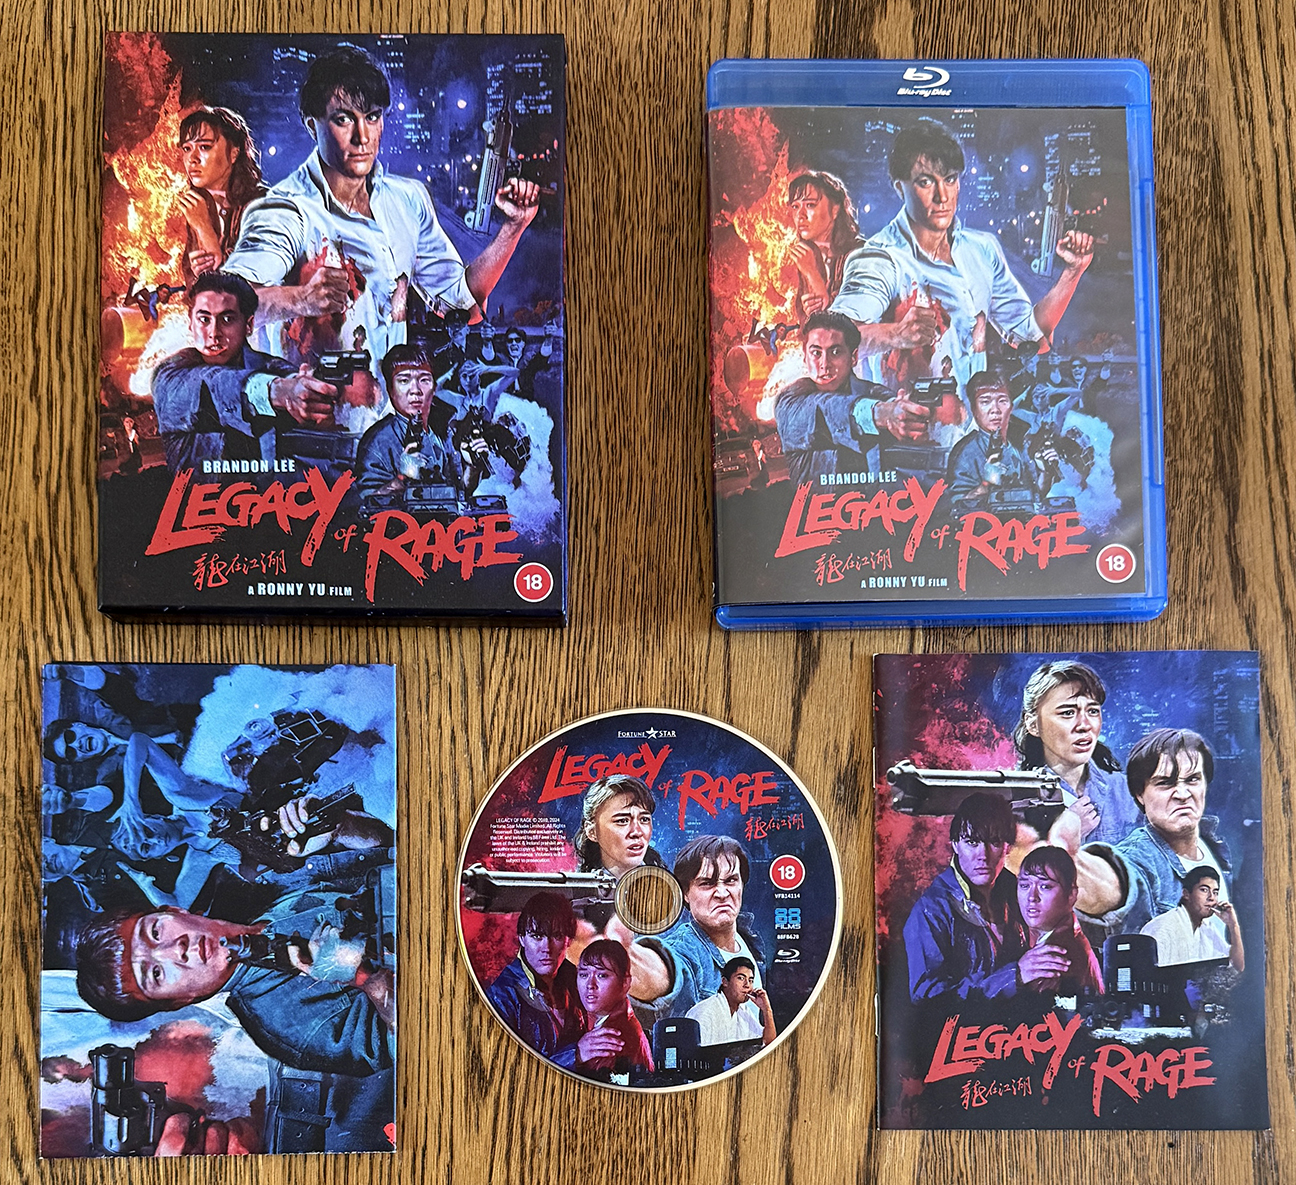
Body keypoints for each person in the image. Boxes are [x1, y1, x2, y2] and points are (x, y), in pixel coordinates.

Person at [224, 46, 540, 419]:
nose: (362, 136)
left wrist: (512, 228)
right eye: (343, 119)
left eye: (372, 117)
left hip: (389, 430)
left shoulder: (408, 200)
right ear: (312, 125)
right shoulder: (284, 210)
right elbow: (226, 306)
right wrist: (300, 299)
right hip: (310, 433)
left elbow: (462, 306)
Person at [830, 117, 1095, 442]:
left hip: (971, 446)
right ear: (899, 186)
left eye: (950, 179)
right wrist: (895, 334)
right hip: (905, 447)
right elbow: (834, 342)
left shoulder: (982, 250)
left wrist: (1072, 273)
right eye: (925, 182)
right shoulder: (878, 259)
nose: (942, 195)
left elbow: (1033, 339)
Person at [151, 272, 338, 471]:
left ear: (248, 325)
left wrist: (310, 398)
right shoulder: (168, 378)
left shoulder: (270, 367)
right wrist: (277, 392)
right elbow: (213, 386)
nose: (214, 333)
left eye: (227, 319)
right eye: (204, 320)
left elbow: (291, 383)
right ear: (191, 324)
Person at [1060, 729, 1232, 938]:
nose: (1182, 794)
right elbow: (1115, 885)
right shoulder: (1136, 859)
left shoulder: (1212, 842)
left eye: (1192, 779)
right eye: (1165, 783)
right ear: (1139, 794)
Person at [903, 792, 1070, 1001]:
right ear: (955, 845)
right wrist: (1014, 976)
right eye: (972, 842)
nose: (983, 855)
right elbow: (928, 997)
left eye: (994, 842)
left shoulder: (1018, 891)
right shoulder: (930, 911)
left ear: (1007, 847)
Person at [628, 835, 765, 1024]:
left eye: (731, 880)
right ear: (685, 893)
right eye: (707, 883)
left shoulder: (748, 938)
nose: (722, 893)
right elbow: (664, 973)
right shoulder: (682, 951)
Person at [1016, 660, 1141, 848]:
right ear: (1033, 725)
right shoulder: (1015, 798)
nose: (1084, 725)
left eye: (1092, 711)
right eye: (1068, 713)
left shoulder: (1125, 792)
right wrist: (1067, 834)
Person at [354, 344, 487, 505]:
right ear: (390, 389)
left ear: (434, 388)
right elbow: (366, 505)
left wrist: (473, 468)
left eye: (424, 380)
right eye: (404, 380)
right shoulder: (377, 441)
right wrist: (402, 479)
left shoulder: (445, 431)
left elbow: (458, 495)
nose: (415, 390)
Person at [772, 311, 890, 484]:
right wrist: (876, 414)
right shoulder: (789, 403)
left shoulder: (875, 394)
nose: (824, 364)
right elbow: (823, 411)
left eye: (835, 352)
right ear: (805, 357)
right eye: (816, 353)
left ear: (853, 357)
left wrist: (902, 413)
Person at [485, 891, 592, 1068]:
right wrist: (576, 1054)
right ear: (522, 938)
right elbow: (509, 1068)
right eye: (537, 936)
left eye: (556, 936)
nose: (546, 948)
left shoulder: (579, 979)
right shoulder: (501, 996)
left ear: (568, 940)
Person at [175, 106, 267, 284]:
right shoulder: (200, 205)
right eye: (186, 148)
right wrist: (198, 275)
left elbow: (252, 281)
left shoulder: (261, 205)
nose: (192, 158)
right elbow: (192, 279)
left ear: (233, 153)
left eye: (204, 147)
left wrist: (205, 230)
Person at [946, 372, 1059, 513]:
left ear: (1011, 407)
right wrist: (985, 485)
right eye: (985, 402)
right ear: (974, 409)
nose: (995, 410)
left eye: (1002, 401)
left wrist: (1045, 473)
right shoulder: (965, 453)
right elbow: (956, 509)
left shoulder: (1019, 446)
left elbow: (1032, 498)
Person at [1016, 846, 1103, 996]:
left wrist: (1016, 977)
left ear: (1071, 895)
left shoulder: (1053, 956)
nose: (1032, 897)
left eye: (1045, 886)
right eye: (1024, 885)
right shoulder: (1057, 938)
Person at [783, 171, 865, 324]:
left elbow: (852, 319)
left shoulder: (859, 254)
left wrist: (812, 273)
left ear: (834, 210)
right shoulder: (802, 255)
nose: (800, 215)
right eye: (795, 206)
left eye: (810, 205)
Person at [573, 940, 654, 1077]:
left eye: (602, 975)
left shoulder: (611, 1038)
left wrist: (576, 1056)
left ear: (625, 982)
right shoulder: (600, 1022)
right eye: (584, 975)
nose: (590, 985)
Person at [1141, 865, 1244, 971]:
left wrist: (1233, 925)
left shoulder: (1207, 928)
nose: (1212, 898)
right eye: (1204, 890)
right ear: (1186, 894)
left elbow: (1237, 967)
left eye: (1215, 892)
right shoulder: (1162, 927)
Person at [575, 775, 663, 877]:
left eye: (644, 819)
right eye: (622, 821)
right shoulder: (578, 885)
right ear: (592, 832)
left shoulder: (666, 883)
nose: (637, 832)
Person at [684, 955, 778, 1046]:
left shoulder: (744, 1011)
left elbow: (768, 1044)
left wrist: (766, 1010)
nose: (747, 985)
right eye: (741, 978)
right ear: (725, 981)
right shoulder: (704, 1011)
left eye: (750, 980)